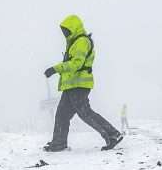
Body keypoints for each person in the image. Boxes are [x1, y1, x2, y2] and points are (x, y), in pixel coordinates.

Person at [43, 14, 123, 152]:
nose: (65, 33)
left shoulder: (81, 41)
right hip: (71, 86)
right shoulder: (74, 43)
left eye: (66, 30)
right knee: (62, 114)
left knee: (85, 113)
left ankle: (113, 134)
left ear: (73, 28)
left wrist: (55, 69)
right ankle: (59, 143)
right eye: (64, 31)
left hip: (79, 85)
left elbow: (76, 63)